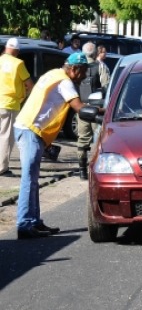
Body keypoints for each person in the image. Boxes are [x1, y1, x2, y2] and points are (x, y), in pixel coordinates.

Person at [13, 52, 98, 239]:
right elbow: (80, 109)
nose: (84, 76)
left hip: (27, 127)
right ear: (74, 69)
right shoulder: (65, 82)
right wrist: (104, 112)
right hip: (31, 130)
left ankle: (33, 221)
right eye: (83, 71)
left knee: (32, 178)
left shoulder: (52, 74)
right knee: (29, 178)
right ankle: (25, 224)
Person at [0, 38, 34, 177]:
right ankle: (2, 168)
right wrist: (26, 96)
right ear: (16, 50)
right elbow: (29, 84)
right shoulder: (18, 63)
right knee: (6, 137)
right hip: (10, 104)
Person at [76, 42, 109, 180]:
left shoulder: (77, 67)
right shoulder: (100, 66)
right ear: (95, 53)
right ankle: (95, 168)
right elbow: (107, 86)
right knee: (98, 138)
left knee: (82, 139)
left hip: (81, 107)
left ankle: (82, 170)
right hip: (97, 108)